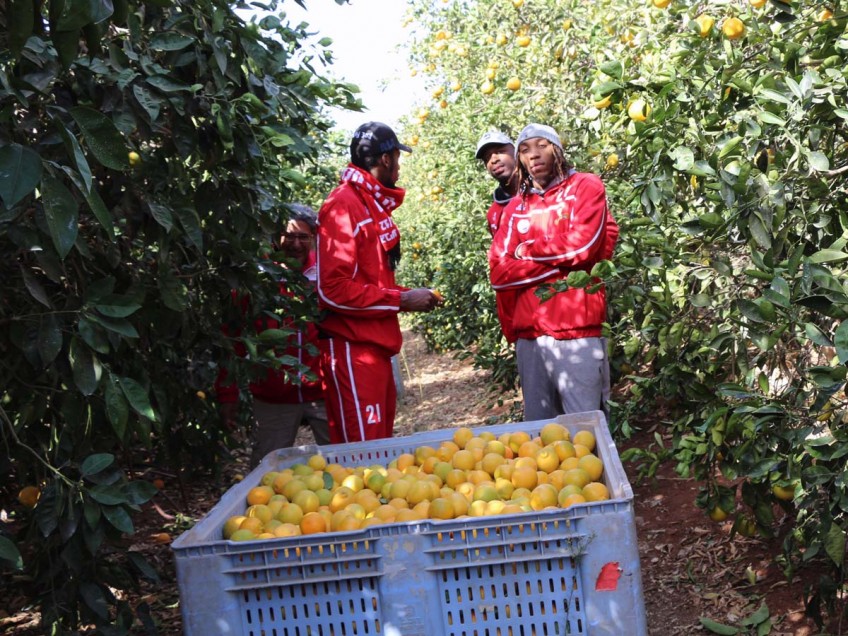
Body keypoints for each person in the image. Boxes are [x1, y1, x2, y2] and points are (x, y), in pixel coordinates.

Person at [317, 121, 441, 444]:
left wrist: (409, 296)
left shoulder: (368, 205)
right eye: (398, 158)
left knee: (378, 450)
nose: (399, 166)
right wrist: (400, 301)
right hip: (353, 350)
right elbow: (332, 290)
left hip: (374, 348)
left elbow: (369, 281)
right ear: (386, 159)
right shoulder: (343, 205)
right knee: (362, 458)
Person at [488, 123, 618, 420]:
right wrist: (564, 269)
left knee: (586, 432)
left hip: (578, 333)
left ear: (557, 149)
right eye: (524, 149)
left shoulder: (585, 187)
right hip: (531, 337)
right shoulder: (515, 208)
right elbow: (499, 273)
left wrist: (527, 250)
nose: (533, 154)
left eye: (541, 145)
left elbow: (582, 247)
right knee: (542, 437)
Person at [216, 204, 330, 466]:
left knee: (343, 463)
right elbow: (232, 337)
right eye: (289, 236)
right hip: (273, 395)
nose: (296, 244)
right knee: (266, 470)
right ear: (276, 238)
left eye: (303, 236)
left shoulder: (325, 275)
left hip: (323, 393)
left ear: (314, 238)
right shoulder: (258, 280)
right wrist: (227, 395)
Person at [475, 130, 519, 344]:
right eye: (487, 158)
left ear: (517, 152)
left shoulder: (546, 194)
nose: (493, 160)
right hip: (519, 320)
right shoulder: (494, 212)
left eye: (500, 151)